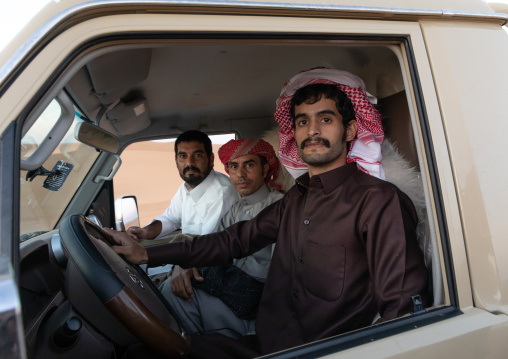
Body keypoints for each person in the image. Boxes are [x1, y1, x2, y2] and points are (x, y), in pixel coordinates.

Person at [108, 68, 429, 356]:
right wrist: (147, 254)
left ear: (349, 131)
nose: (312, 130)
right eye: (303, 121)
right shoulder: (296, 199)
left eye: (326, 119)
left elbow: (402, 312)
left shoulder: (378, 202)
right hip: (267, 341)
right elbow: (232, 241)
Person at [159, 138, 284, 339]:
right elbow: (215, 245)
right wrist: (187, 262)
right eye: (233, 167)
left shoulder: (280, 207)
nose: (240, 174)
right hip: (231, 287)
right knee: (173, 285)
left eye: (249, 165)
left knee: (175, 293)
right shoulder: (236, 209)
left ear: (264, 169)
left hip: (257, 300)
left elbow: (278, 271)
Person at [126, 130, 237, 278]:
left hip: (213, 271)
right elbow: (171, 219)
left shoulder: (222, 193)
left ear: (211, 159)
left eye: (197, 156)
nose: (189, 163)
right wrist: (145, 232)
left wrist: (178, 266)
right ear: (176, 160)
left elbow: (204, 246)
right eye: (183, 156)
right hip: (190, 259)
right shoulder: (187, 187)